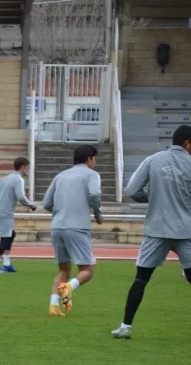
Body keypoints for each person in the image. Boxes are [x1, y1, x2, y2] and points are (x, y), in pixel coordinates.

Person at [111, 125, 191, 339]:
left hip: (157, 228)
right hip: (185, 229)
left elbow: (132, 190)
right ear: (187, 143)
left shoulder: (153, 159)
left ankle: (125, 326)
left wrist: (155, 196)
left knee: (141, 278)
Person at [42, 144, 103, 317]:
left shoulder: (60, 176)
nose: (95, 162)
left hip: (57, 227)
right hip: (77, 226)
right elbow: (94, 194)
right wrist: (97, 213)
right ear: (89, 158)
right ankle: (69, 287)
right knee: (87, 269)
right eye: (94, 158)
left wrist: (62, 210)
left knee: (64, 270)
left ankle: (54, 306)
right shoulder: (91, 174)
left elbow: (46, 203)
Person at [0, 156, 37, 273]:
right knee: (5, 238)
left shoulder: (6, 178)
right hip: (5, 213)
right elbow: (21, 196)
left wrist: (2, 200)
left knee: (11, 235)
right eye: (27, 167)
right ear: (23, 167)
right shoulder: (18, 179)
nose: (28, 170)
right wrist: (31, 205)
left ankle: (7, 264)